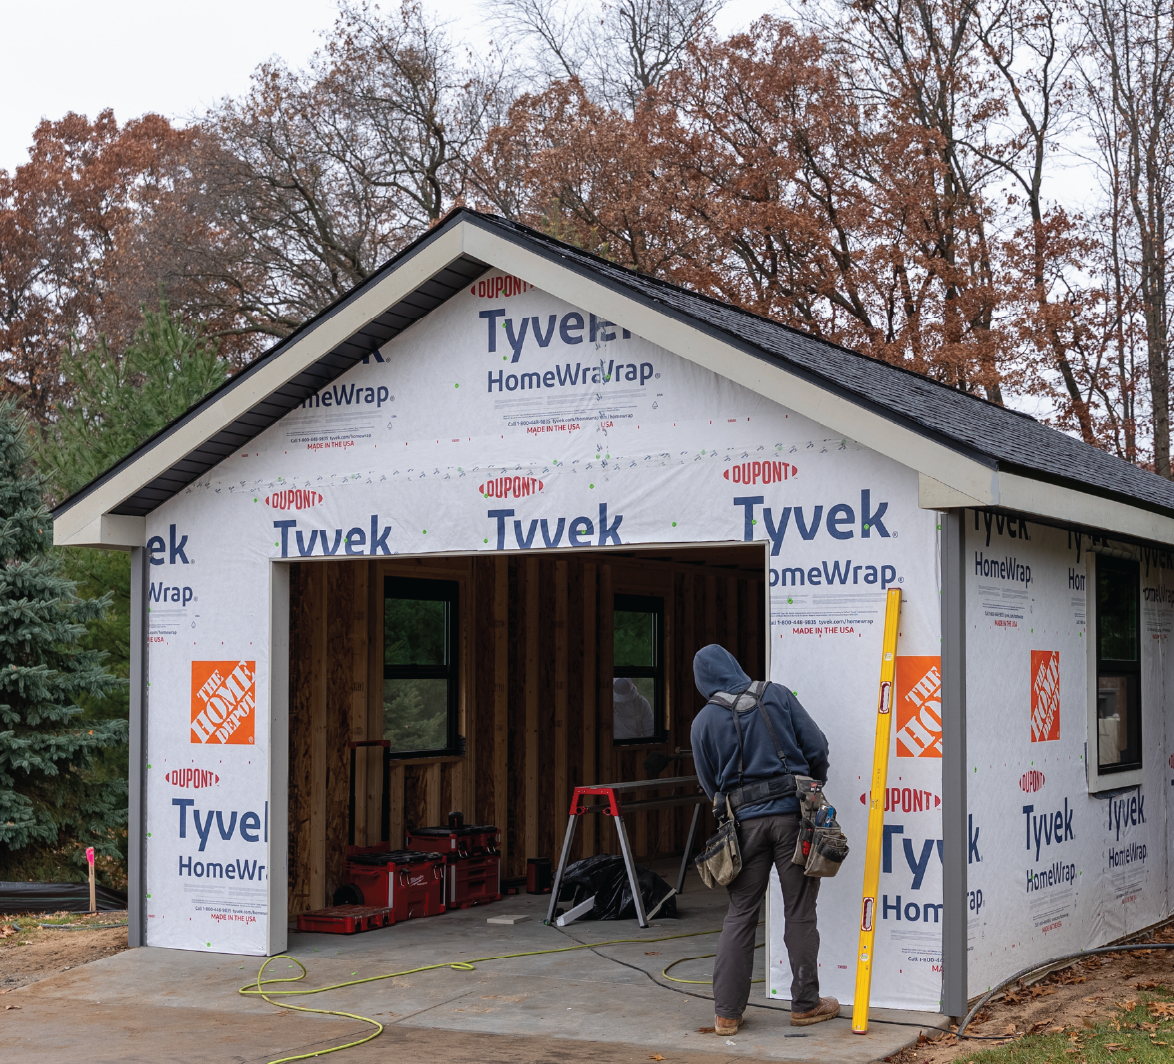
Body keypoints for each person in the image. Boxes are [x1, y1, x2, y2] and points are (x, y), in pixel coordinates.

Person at [690, 644, 838, 1035]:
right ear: (734, 665)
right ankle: (805, 1005)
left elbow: (710, 784)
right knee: (800, 912)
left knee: (740, 915)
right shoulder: (775, 694)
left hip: (743, 829)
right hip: (793, 818)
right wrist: (812, 781)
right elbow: (817, 747)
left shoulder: (704, 721)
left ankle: (726, 1014)